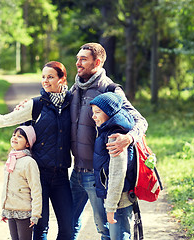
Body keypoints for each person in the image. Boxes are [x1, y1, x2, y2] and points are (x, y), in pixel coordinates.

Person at [0, 61, 73, 240]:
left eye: (51, 77)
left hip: (61, 176)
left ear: (62, 79)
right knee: (40, 228)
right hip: (39, 175)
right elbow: (3, 121)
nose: (45, 81)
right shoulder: (35, 105)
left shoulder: (71, 103)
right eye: (43, 77)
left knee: (68, 228)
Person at [70, 42, 148, 239]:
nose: (78, 63)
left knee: (105, 229)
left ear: (97, 62)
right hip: (75, 172)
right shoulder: (76, 87)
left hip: (97, 175)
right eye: (77, 58)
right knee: (68, 225)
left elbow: (140, 120)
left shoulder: (110, 89)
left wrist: (129, 138)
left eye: (83, 59)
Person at [89, 92, 136, 240]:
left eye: (98, 112)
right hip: (117, 198)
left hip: (119, 200)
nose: (93, 116)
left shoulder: (115, 136)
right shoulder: (108, 129)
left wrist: (110, 208)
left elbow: (117, 174)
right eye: (93, 112)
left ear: (109, 113)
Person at [1, 125, 42, 240]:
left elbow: (36, 189)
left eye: (19, 136)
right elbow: (6, 186)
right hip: (11, 210)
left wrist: (35, 214)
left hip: (24, 212)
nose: (15, 138)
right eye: (14, 135)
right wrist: (5, 208)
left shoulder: (29, 162)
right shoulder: (11, 159)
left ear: (27, 143)